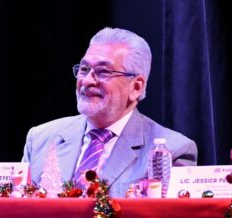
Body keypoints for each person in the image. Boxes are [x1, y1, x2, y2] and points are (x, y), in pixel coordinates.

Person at [22, 27, 197, 196]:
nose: (87, 81)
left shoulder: (172, 150)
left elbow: (166, 215)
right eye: (84, 69)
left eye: (103, 72)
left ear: (136, 87)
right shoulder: (40, 139)